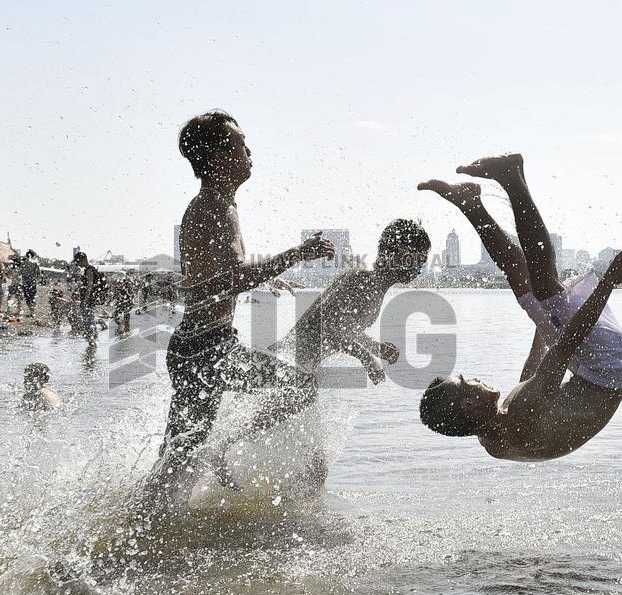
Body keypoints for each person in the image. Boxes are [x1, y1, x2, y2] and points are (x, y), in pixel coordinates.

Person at [149, 110, 335, 502]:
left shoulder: (214, 204)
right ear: (218, 157)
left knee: (178, 459)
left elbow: (214, 279)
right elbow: (233, 277)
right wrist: (298, 253)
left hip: (199, 346)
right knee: (301, 385)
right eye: (238, 142)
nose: (248, 149)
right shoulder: (214, 206)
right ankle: (222, 449)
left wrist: (266, 276)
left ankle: (141, 531)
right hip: (206, 347)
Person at [417, 153, 622, 461]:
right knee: (545, 287)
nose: (474, 378)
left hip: (591, 370)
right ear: (468, 404)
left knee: (525, 289)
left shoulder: (495, 439)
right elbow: (564, 347)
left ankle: (471, 205)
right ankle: (511, 177)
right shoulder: (520, 411)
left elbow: (534, 370)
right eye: (467, 381)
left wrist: (539, 315)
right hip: (611, 365)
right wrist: (608, 282)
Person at [217, 219, 431, 487]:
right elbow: (326, 327)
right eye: (418, 260)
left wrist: (376, 347)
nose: (419, 270)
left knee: (316, 470)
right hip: (286, 366)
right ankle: (219, 452)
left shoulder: (371, 283)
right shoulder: (361, 278)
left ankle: (291, 515)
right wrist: (367, 357)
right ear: (398, 254)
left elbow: (343, 328)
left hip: (296, 371)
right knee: (299, 454)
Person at [74, 251, 101, 344]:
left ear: (84, 260)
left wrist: (85, 301)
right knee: (90, 319)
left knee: (88, 320)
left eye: (79, 262)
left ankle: (91, 342)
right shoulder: (88, 269)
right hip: (90, 299)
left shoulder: (89, 270)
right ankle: (93, 342)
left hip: (88, 300)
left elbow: (89, 287)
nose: (78, 264)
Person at [19, 250, 41, 316]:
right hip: (33, 282)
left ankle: (31, 311)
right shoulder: (35, 263)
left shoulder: (23, 263)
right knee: (32, 297)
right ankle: (32, 312)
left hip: (25, 283)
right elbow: (38, 273)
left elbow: (21, 273)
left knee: (27, 298)